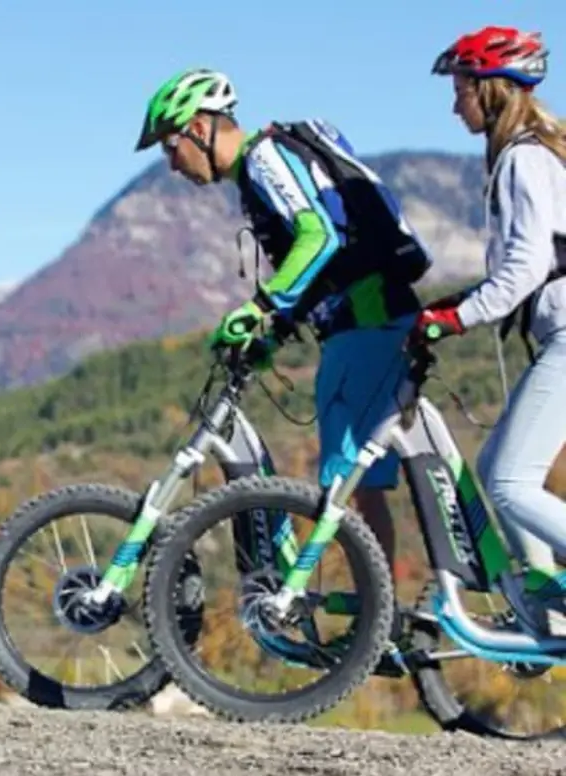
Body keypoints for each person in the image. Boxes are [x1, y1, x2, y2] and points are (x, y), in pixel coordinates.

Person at [134, 67, 433, 579]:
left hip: (366, 323)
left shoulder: (264, 158)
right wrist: (273, 333)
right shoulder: (256, 174)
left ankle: (378, 613)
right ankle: (380, 609)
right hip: (362, 323)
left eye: (170, 146)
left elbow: (319, 238)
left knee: (345, 486)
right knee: (357, 488)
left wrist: (260, 306)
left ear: (199, 128)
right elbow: (321, 265)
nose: (171, 163)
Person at [415, 26, 566, 636]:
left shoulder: (524, 158)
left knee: (509, 481)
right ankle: (548, 604)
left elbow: (527, 266)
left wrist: (456, 319)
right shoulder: (537, 152)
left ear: (491, 89)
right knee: (495, 462)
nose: (456, 105)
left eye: (461, 90)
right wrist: (459, 302)